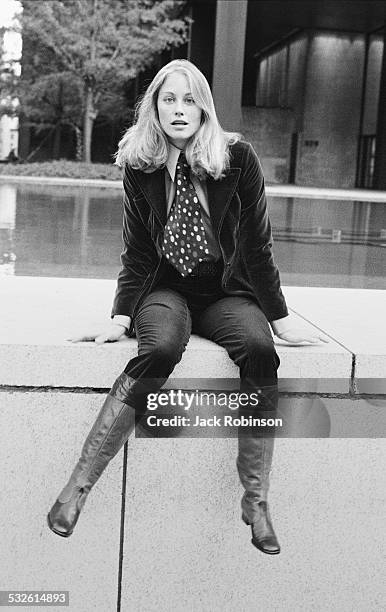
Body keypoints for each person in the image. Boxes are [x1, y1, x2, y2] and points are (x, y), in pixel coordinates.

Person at [47, 59, 327, 553]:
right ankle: (78, 488)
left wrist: (281, 320)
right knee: (159, 349)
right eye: (168, 99)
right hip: (165, 290)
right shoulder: (139, 162)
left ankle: (256, 500)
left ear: (204, 107)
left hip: (225, 292)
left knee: (260, 348)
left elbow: (259, 247)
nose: (179, 110)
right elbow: (136, 250)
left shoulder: (237, 157)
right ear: (154, 107)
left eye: (189, 99)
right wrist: (118, 318)